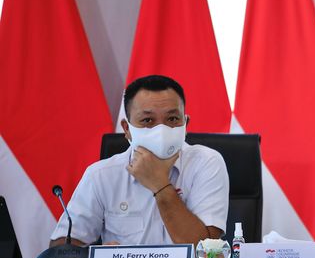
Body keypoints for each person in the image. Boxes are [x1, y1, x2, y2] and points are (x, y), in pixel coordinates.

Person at [49, 75, 229, 247]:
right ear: (127, 129)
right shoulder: (101, 175)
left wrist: (160, 185)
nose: (161, 129)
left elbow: (206, 252)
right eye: (148, 120)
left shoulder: (206, 163)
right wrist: (96, 256)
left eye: (172, 119)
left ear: (185, 124)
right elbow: (60, 249)